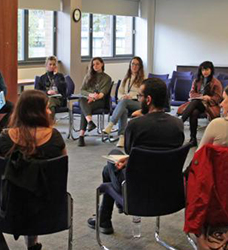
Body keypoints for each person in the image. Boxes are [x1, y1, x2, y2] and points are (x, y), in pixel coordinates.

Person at [88, 78, 184, 234]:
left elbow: (129, 150)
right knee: (108, 170)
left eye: (139, 96)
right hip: (169, 189)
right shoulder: (177, 124)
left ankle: (106, 217)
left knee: (112, 160)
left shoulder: (136, 124)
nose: (138, 100)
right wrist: (131, 159)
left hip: (137, 191)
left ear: (148, 99)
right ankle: (103, 219)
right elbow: (156, 153)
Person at [0, 90, 67, 250]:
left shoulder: (5, 138)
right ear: (37, 112)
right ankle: (32, 239)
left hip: (11, 204)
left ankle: (30, 238)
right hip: (49, 205)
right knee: (35, 186)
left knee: (21, 185)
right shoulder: (54, 137)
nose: (49, 112)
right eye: (47, 108)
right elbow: (62, 167)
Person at [177, 61, 223, 147]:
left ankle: (180, 122)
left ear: (211, 70)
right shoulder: (197, 80)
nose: (204, 72)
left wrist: (209, 98)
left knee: (195, 102)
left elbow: (218, 97)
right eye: (203, 70)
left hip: (209, 105)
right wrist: (202, 96)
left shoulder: (216, 82)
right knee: (194, 112)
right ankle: (193, 139)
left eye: (207, 70)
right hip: (198, 104)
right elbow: (191, 93)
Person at [103, 56, 145, 138]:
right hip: (125, 102)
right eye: (133, 64)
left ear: (140, 67)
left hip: (138, 103)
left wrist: (131, 97)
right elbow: (120, 92)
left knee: (124, 102)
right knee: (124, 110)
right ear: (130, 65)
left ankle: (111, 124)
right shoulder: (126, 78)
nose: (134, 66)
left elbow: (143, 94)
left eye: (137, 64)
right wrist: (123, 96)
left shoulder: (143, 79)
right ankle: (122, 137)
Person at [76, 57, 113, 147]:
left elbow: (103, 93)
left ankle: (81, 135)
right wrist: (91, 95)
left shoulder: (107, 78)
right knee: (82, 101)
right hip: (88, 99)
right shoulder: (88, 76)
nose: (95, 66)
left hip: (100, 101)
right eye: (93, 64)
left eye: (97, 64)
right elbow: (82, 90)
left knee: (84, 108)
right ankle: (89, 122)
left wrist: (94, 97)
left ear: (102, 64)